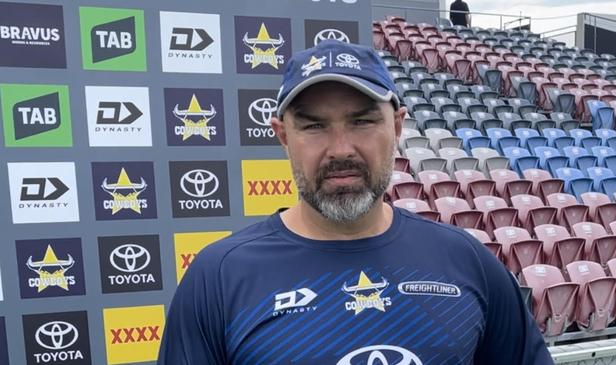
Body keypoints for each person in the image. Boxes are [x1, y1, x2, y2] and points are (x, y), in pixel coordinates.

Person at [157, 39, 554, 365]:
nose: (340, 149)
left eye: (362, 121)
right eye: (314, 126)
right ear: (282, 136)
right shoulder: (219, 278)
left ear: (397, 126)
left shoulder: (467, 261)